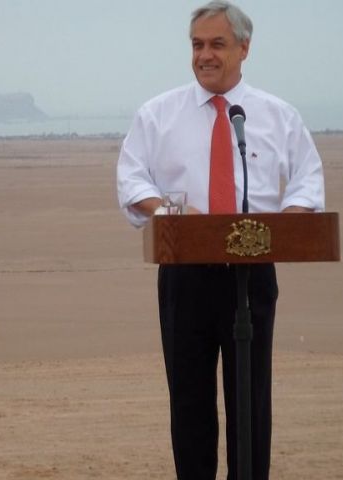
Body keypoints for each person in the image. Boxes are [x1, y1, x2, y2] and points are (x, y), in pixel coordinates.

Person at [116, 1, 324, 479]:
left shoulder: (277, 116)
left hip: (251, 277)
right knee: (188, 401)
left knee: (250, 399)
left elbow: (307, 183)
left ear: (244, 49)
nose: (205, 55)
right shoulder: (158, 114)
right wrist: (173, 211)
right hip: (185, 277)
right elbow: (132, 181)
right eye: (197, 45)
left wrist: (284, 227)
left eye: (217, 44)